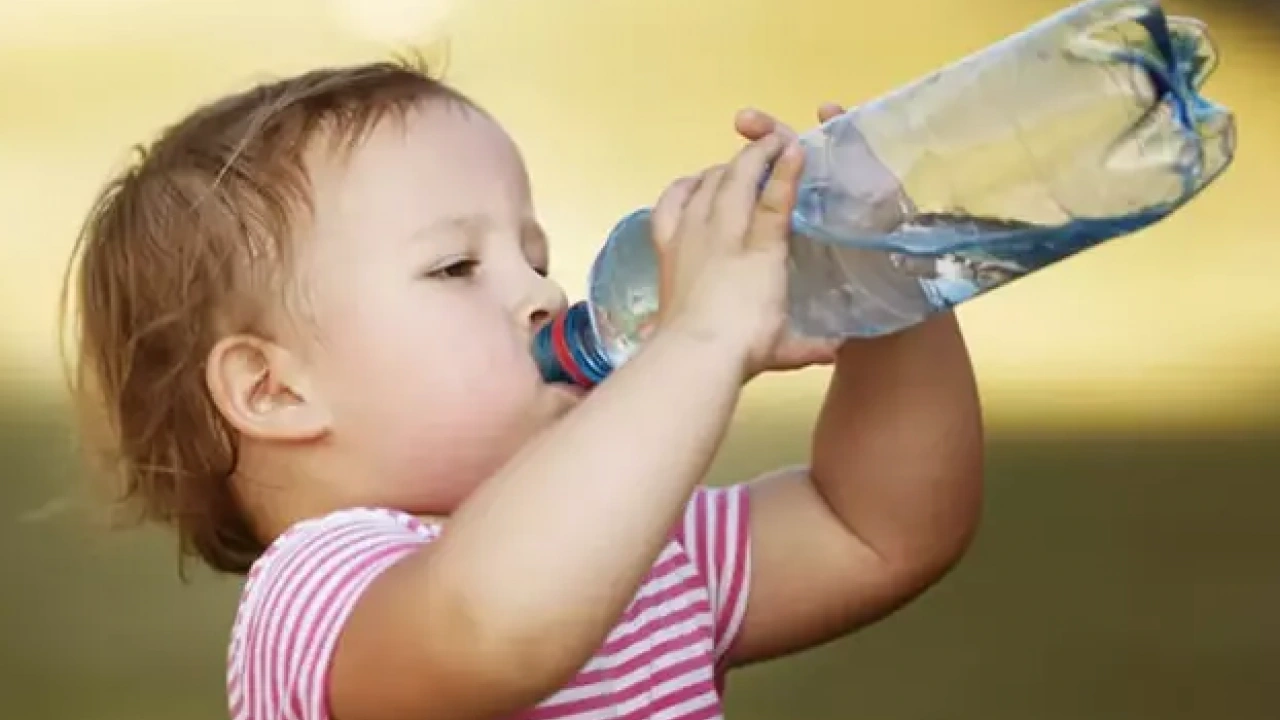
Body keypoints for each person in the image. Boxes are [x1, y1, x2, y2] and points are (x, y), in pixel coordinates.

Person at [64, 58, 984, 720]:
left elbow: (877, 530)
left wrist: (884, 281)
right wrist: (698, 339)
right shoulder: (314, 598)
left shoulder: (643, 547)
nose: (544, 294)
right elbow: (492, 627)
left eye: (534, 255)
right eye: (456, 267)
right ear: (273, 389)